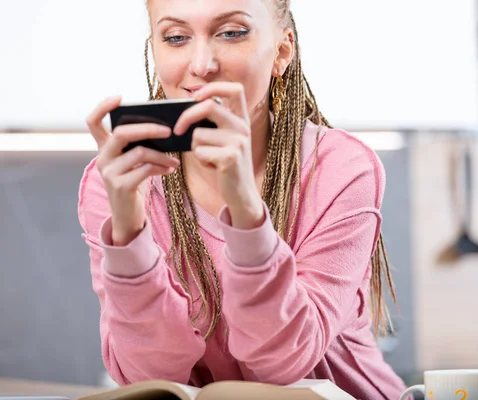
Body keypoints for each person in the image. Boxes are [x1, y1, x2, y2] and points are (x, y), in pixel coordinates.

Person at [77, 0, 407, 398]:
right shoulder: (117, 182)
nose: (201, 65)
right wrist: (129, 232)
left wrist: (246, 211)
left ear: (282, 52)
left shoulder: (341, 167)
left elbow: (285, 360)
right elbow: (150, 375)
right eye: (176, 38)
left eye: (231, 33)